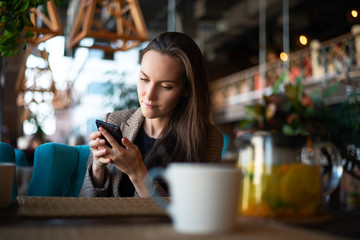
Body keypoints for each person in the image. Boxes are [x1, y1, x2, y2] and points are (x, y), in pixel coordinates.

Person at [80, 32, 224, 198]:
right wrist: (98, 167)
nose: (149, 95)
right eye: (144, 79)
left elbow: (199, 213)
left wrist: (137, 173)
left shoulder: (208, 139)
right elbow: (84, 200)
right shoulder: (115, 121)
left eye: (165, 86)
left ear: (186, 90)